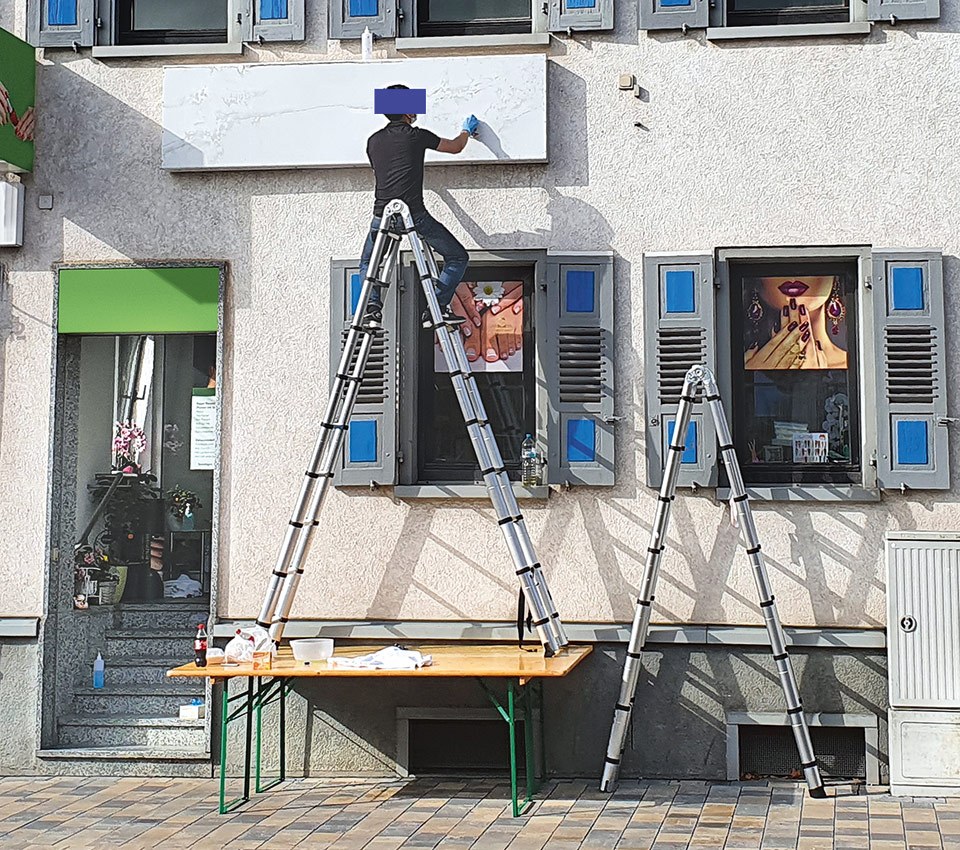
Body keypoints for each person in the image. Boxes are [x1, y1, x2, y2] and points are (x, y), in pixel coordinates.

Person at [358, 83, 477, 329]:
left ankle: (372, 309)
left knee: (368, 264)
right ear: (407, 112)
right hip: (414, 215)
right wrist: (467, 131)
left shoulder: (373, 141)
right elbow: (455, 147)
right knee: (457, 256)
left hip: (382, 216)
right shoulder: (417, 136)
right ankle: (436, 309)